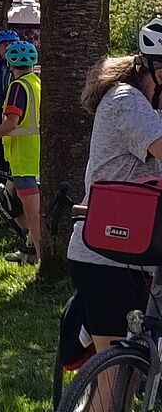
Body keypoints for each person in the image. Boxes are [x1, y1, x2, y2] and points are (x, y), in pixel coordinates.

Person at [68, 19, 162, 366]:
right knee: (113, 381)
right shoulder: (127, 100)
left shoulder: (151, 107)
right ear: (150, 68)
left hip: (139, 252)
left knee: (131, 374)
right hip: (107, 255)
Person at [0, 39, 41, 263]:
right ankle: (28, 248)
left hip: (24, 157)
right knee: (7, 198)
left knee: (32, 212)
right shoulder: (36, 82)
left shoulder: (18, 87)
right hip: (28, 156)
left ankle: (39, 256)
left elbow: (11, 122)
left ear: (9, 64)